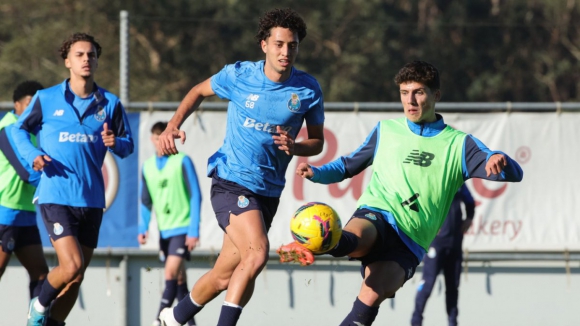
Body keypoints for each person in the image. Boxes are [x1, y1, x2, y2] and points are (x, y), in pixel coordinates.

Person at [277, 61, 523, 326]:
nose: (410, 100)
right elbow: (347, 166)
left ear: (436, 95)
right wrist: (318, 173)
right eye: (405, 93)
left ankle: (322, 244)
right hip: (378, 212)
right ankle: (318, 243)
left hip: (412, 241)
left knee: (371, 296)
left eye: (418, 92)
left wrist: (501, 159)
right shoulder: (386, 131)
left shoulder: (459, 144)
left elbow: (515, 174)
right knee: (360, 235)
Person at [157, 8, 325, 326]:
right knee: (257, 253)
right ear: (264, 45)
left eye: (292, 45)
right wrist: (172, 126)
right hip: (231, 181)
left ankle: (171, 318)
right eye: (278, 44)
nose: (285, 51)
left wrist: (296, 147)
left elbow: (316, 142)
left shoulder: (307, 90)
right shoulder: (239, 76)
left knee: (226, 275)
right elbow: (197, 91)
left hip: (268, 191)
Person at [12, 32, 134, 326]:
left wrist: (114, 142)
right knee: (72, 264)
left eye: (91, 55)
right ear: (67, 61)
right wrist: (33, 155)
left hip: (91, 200)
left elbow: (128, 145)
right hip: (56, 194)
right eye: (79, 55)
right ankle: (39, 306)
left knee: (76, 277)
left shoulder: (111, 103)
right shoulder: (46, 98)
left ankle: (51, 324)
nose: (86, 59)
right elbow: (18, 131)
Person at [139, 121, 202, 326]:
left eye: (163, 138)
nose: (160, 143)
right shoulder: (147, 167)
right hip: (164, 232)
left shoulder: (182, 161)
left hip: (182, 229)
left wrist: (193, 231)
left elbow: (196, 195)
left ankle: (159, 321)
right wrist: (143, 227)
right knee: (180, 282)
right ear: (152, 139)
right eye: (157, 139)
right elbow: (146, 202)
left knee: (170, 273)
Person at [0, 81, 49, 302]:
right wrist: (61, 188)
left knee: (41, 275)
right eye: (29, 103)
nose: (32, 109)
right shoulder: (9, 128)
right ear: (16, 104)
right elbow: (26, 172)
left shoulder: (33, 132)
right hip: (5, 212)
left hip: (26, 213)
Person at [411, 184, 475, 326]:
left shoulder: (458, 182)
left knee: (453, 287)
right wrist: (428, 225)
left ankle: (453, 322)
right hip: (436, 243)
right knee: (428, 283)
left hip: (455, 243)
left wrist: (469, 217)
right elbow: (416, 204)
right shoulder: (431, 180)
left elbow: (470, 201)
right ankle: (416, 321)